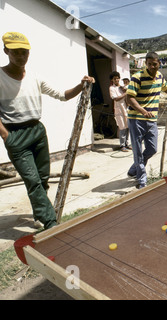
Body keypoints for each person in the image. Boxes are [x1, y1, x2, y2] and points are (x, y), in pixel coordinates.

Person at [0, 32, 95, 229]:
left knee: (42, 179)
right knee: (33, 180)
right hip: (15, 135)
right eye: (15, 52)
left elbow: (62, 95)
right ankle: (50, 222)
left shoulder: (35, 77)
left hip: (37, 132)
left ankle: (40, 212)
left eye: (24, 52)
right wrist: (5, 135)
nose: (20, 56)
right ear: (6, 50)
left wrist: (81, 84)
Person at [126, 52, 167, 189]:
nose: (152, 67)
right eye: (149, 64)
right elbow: (129, 98)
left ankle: (133, 169)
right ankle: (142, 180)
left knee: (152, 149)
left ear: (159, 63)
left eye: (155, 64)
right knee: (137, 150)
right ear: (146, 64)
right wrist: (143, 111)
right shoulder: (137, 77)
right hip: (136, 119)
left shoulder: (160, 77)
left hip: (152, 120)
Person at [109, 71, 131, 152]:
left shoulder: (122, 87)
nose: (117, 80)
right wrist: (125, 94)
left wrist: (126, 91)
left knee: (128, 127)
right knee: (122, 127)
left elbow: (128, 97)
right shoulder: (112, 88)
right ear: (112, 80)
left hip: (126, 109)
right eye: (115, 79)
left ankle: (127, 144)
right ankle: (122, 145)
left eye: (118, 78)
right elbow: (116, 99)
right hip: (119, 110)